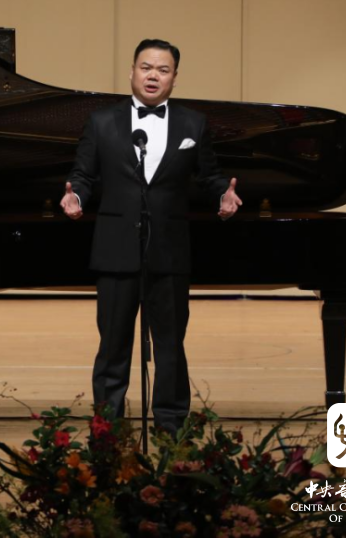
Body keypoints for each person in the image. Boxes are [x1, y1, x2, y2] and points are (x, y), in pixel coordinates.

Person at [60, 39, 242, 436]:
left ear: (174, 77)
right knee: (112, 346)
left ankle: (171, 427)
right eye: (146, 67)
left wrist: (222, 195)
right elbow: (84, 174)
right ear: (132, 71)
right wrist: (77, 196)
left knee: (170, 345)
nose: (153, 75)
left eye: (163, 69)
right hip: (115, 248)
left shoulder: (193, 124)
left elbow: (210, 175)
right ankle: (107, 428)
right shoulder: (102, 122)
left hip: (170, 249)